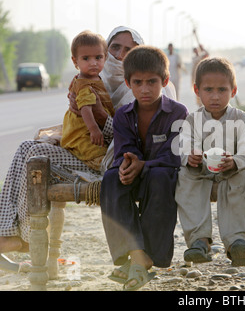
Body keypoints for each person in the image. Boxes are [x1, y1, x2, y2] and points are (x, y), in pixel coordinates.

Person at [0, 26, 153, 272]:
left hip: (107, 162)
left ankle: (23, 238)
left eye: (129, 49)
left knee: (34, 155)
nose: (120, 54)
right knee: (26, 147)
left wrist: (101, 118)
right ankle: (8, 231)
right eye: (115, 47)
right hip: (84, 152)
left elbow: (135, 139)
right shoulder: (94, 79)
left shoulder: (141, 84)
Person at [100, 45, 189, 291]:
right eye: (137, 82)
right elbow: (123, 149)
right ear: (128, 83)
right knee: (111, 179)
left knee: (160, 176)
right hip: (137, 174)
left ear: (165, 80)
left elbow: (174, 155)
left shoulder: (178, 112)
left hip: (162, 174)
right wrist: (126, 166)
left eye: (152, 82)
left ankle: (148, 256)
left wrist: (144, 165)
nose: (145, 89)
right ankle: (137, 254)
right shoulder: (123, 115)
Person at [175, 57, 245, 267]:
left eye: (222, 90)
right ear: (197, 91)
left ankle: (237, 241)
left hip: (232, 172)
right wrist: (191, 156)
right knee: (184, 176)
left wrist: (234, 161)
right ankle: (199, 241)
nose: (215, 96)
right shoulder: (192, 120)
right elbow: (185, 144)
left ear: (233, 91)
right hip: (201, 172)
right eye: (208, 90)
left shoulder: (241, 119)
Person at [61, 30, 115, 172]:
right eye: (86, 58)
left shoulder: (94, 78)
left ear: (105, 57)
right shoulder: (85, 84)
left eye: (98, 57)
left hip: (89, 129)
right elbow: (85, 108)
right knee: (97, 155)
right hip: (82, 133)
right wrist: (94, 129)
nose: (93, 63)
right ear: (75, 61)